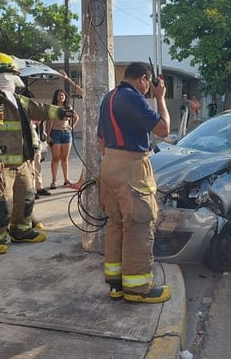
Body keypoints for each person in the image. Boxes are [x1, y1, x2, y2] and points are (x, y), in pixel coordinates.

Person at [0, 52, 74, 255]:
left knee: (26, 196)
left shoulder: (13, 98)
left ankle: (21, 231)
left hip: (21, 161)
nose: (12, 78)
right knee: (1, 202)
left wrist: (60, 112)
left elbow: (37, 109)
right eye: (8, 73)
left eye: (13, 73)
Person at [97, 62, 171, 303]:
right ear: (143, 79)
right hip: (132, 165)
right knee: (139, 224)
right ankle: (138, 288)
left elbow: (101, 140)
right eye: (148, 84)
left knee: (115, 223)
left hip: (109, 164)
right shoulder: (134, 98)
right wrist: (160, 98)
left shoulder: (109, 98)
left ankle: (116, 285)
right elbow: (163, 129)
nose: (149, 88)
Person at [46, 89, 78, 189]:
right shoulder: (53, 108)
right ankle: (54, 181)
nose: (61, 97)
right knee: (56, 158)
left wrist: (72, 127)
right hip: (55, 133)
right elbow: (49, 121)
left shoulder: (68, 107)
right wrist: (48, 134)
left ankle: (66, 179)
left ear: (65, 97)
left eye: (62, 95)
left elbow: (76, 117)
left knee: (65, 158)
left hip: (66, 134)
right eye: (59, 95)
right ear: (56, 97)